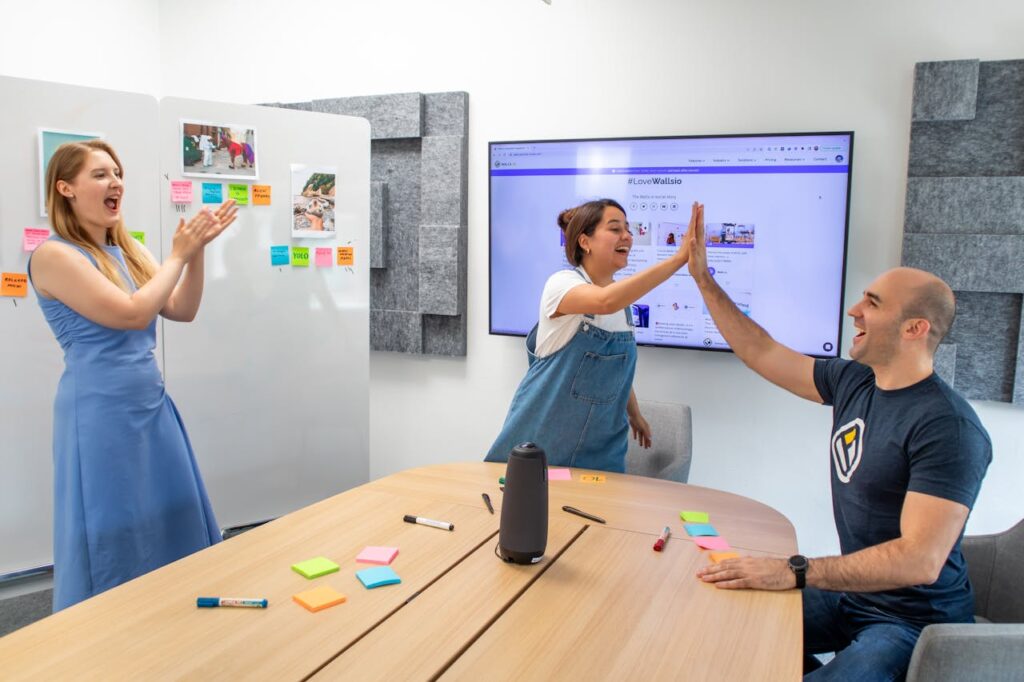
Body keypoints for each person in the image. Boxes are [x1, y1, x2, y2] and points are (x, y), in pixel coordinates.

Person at [684, 204, 992, 680]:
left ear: (915, 329)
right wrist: (704, 280)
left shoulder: (948, 427)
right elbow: (761, 350)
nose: (855, 310)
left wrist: (795, 570)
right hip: (854, 598)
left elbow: (920, 559)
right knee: (728, 625)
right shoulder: (855, 381)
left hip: (914, 622)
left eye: (873, 302)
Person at [28, 140, 239, 611]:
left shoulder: (130, 250)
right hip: (98, 412)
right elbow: (129, 313)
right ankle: (108, 630)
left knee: (170, 517)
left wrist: (196, 251)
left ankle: (167, 618)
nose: (115, 182)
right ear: (65, 188)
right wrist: (178, 257)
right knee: (112, 524)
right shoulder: (54, 256)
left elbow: (181, 309)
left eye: (117, 173)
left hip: (150, 403)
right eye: (100, 174)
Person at [485, 198, 697, 472]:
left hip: (601, 452)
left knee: (598, 513)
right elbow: (604, 301)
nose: (627, 236)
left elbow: (612, 369)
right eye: (615, 228)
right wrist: (679, 258)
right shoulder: (562, 285)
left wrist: (635, 414)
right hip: (544, 448)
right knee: (531, 511)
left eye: (628, 229)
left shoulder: (623, 308)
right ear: (585, 242)